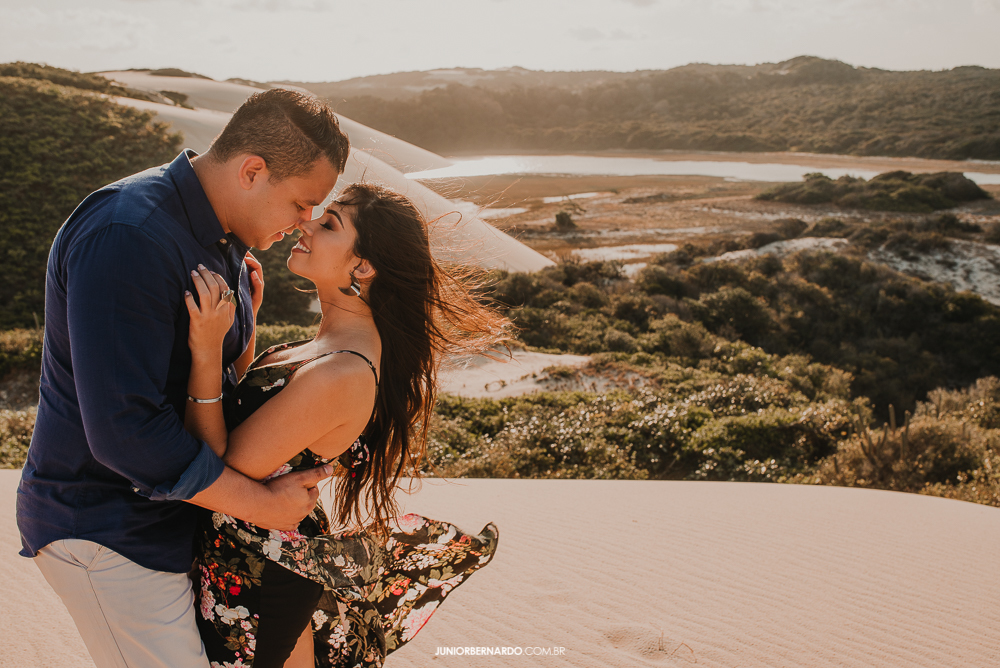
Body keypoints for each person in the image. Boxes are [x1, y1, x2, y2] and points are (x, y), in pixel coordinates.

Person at [16, 88, 350, 668]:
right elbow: (125, 432)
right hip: (106, 530)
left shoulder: (225, 243)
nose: (306, 223)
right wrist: (260, 506)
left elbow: (208, 383)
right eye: (302, 203)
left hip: (168, 523)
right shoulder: (129, 235)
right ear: (253, 171)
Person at [182, 182, 509, 667]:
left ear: (362, 267)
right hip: (251, 560)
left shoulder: (344, 372)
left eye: (329, 224)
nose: (305, 223)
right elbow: (249, 418)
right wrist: (244, 327)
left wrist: (206, 350)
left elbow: (218, 467)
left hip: (258, 579)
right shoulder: (328, 348)